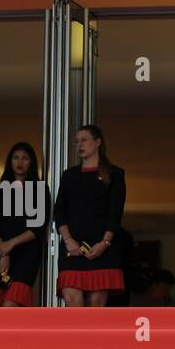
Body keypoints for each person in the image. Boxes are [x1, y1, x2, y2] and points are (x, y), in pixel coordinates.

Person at [54, 125, 126, 307]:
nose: (79, 145)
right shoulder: (69, 175)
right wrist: (68, 240)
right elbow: (59, 210)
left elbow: (115, 213)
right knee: (72, 298)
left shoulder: (115, 174)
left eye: (84, 140)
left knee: (96, 302)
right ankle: (74, 337)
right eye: (77, 141)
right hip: (72, 246)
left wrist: (105, 243)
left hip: (102, 247)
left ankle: (92, 337)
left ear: (98, 142)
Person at [0, 142, 42, 307]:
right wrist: (3, 252)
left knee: (12, 303)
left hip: (25, 254)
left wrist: (10, 245)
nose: (20, 162)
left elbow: (37, 228)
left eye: (25, 158)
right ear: (10, 161)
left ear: (31, 162)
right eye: (16, 158)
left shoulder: (40, 190)